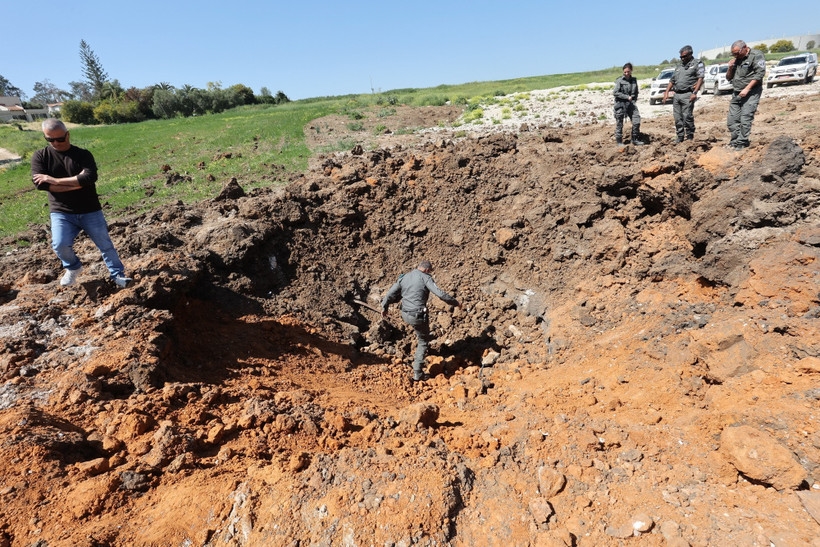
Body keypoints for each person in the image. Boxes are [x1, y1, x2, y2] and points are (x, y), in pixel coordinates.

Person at [31, 119, 132, 288]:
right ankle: (73, 267)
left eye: (60, 138)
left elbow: (89, 178)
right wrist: (76, 183)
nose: (56, 143)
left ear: (67, 135)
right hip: (61, 211)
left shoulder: (83, 155)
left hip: (89, 209)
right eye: (50, 139)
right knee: (59, 244)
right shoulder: (40, 156)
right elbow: (41, 185)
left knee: (105, 245)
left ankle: (118, 275)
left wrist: (55, 180)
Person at [381, 260, 461, 382]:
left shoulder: (405, 277)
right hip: (417, 315)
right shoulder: (425, 278)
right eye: (430, 271)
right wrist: (456, 303)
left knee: (419, 331)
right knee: (423, 341)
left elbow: (390, 293)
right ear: (427, 270)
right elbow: (441, 295)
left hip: (405, 314)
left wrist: (384, 308)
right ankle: (417, 373)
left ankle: (418, 352)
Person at [725, 40, 766, 150]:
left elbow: (760, 74)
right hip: (736, 93)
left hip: (751, 92)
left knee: (745, 118)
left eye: (737, 53)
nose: (736, 56)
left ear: (745, 48)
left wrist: (747, 88)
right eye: (733, 54)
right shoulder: (736, 59)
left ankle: (742, 142)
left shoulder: (756, 55)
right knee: (732, 120)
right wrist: (730, 67)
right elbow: (728, 77)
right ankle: (734, 141)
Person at [662, 45, 705, 142]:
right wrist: (666, 92)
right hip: (677, 95)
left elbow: (700, 78)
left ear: (690, 54)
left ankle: (690, 136)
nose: (682, 58)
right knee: (677, 117)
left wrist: (695, 92)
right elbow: (672, 80)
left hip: (688, 94)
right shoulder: (679, 66)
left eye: (684, 56)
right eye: (681, 57)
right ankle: (680, 136)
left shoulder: (697, 63)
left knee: (687, 116)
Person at [613, 62, 644, 145]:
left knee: (636, 120)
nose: (626, 73)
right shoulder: (619, 81)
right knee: (619, 123)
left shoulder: (634, 80)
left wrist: (633, 100)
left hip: (631, 104)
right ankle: (619, 141)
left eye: (628, 72)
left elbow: (636, 92)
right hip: (620, 104)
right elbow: (615, 92)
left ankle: (634, 139)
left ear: (631, 71)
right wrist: (626, 97)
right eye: (625, 72)